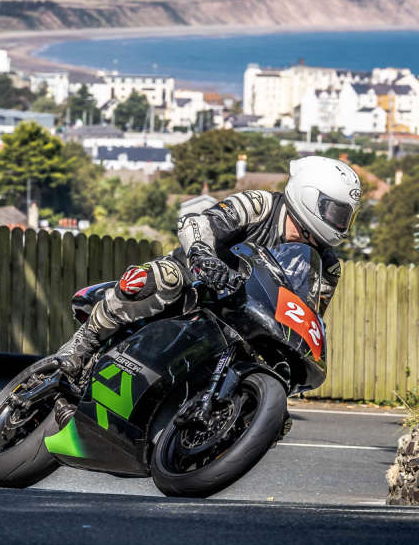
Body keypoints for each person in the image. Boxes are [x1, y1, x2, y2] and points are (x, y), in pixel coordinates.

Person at [51, 155, 362, 390]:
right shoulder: (260, 205)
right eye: (335, 211)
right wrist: (203, 256)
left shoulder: (328, 267)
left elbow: (310, 314)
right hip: (197, 282)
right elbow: (198, 224)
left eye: (345, 216)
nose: (340, 223)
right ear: (309, 195)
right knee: (162, 279)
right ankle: (83, 343)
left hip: (246, 314)